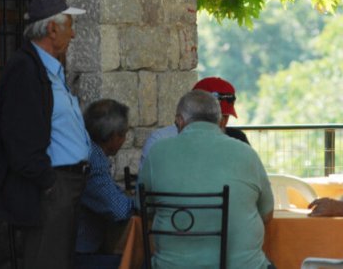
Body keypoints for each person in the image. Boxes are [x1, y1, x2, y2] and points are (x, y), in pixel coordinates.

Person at [0, 0, 92, 269]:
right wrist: (49, 183)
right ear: (52, 29)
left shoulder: (47, 70)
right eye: (70, 26)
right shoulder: (25, 70)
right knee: (47, 261)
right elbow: (20, 140)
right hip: (52, 185)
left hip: (64, 184)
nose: (74, 35)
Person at [140, 90, 274, 268]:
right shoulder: (246, 153)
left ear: (179, 121)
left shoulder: (157, 152)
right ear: (220, 122)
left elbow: (142, 208)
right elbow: (267, 213)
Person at [139, 76, 248, 169]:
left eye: (226, 117)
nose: (222, 123)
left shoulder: (237, 139)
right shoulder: (159, 141)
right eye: (214, 117)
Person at [76, 99, 135, 266]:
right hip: (83, 253)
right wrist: (141, 202)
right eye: (124, 134)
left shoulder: (89, 151)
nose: (124, 139)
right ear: (113, 136)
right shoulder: (94, 161)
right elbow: (119, 210)